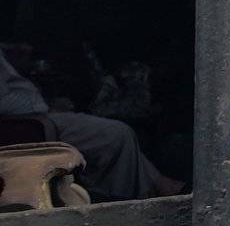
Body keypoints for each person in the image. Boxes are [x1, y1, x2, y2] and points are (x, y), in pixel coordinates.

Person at [0, 47, 184, 200]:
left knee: (125, 133)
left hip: (39, 116)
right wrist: (43, 107)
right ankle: (134, 196)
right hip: (27, 123)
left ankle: (159, 183)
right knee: (117, 133)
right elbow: (7, 102)